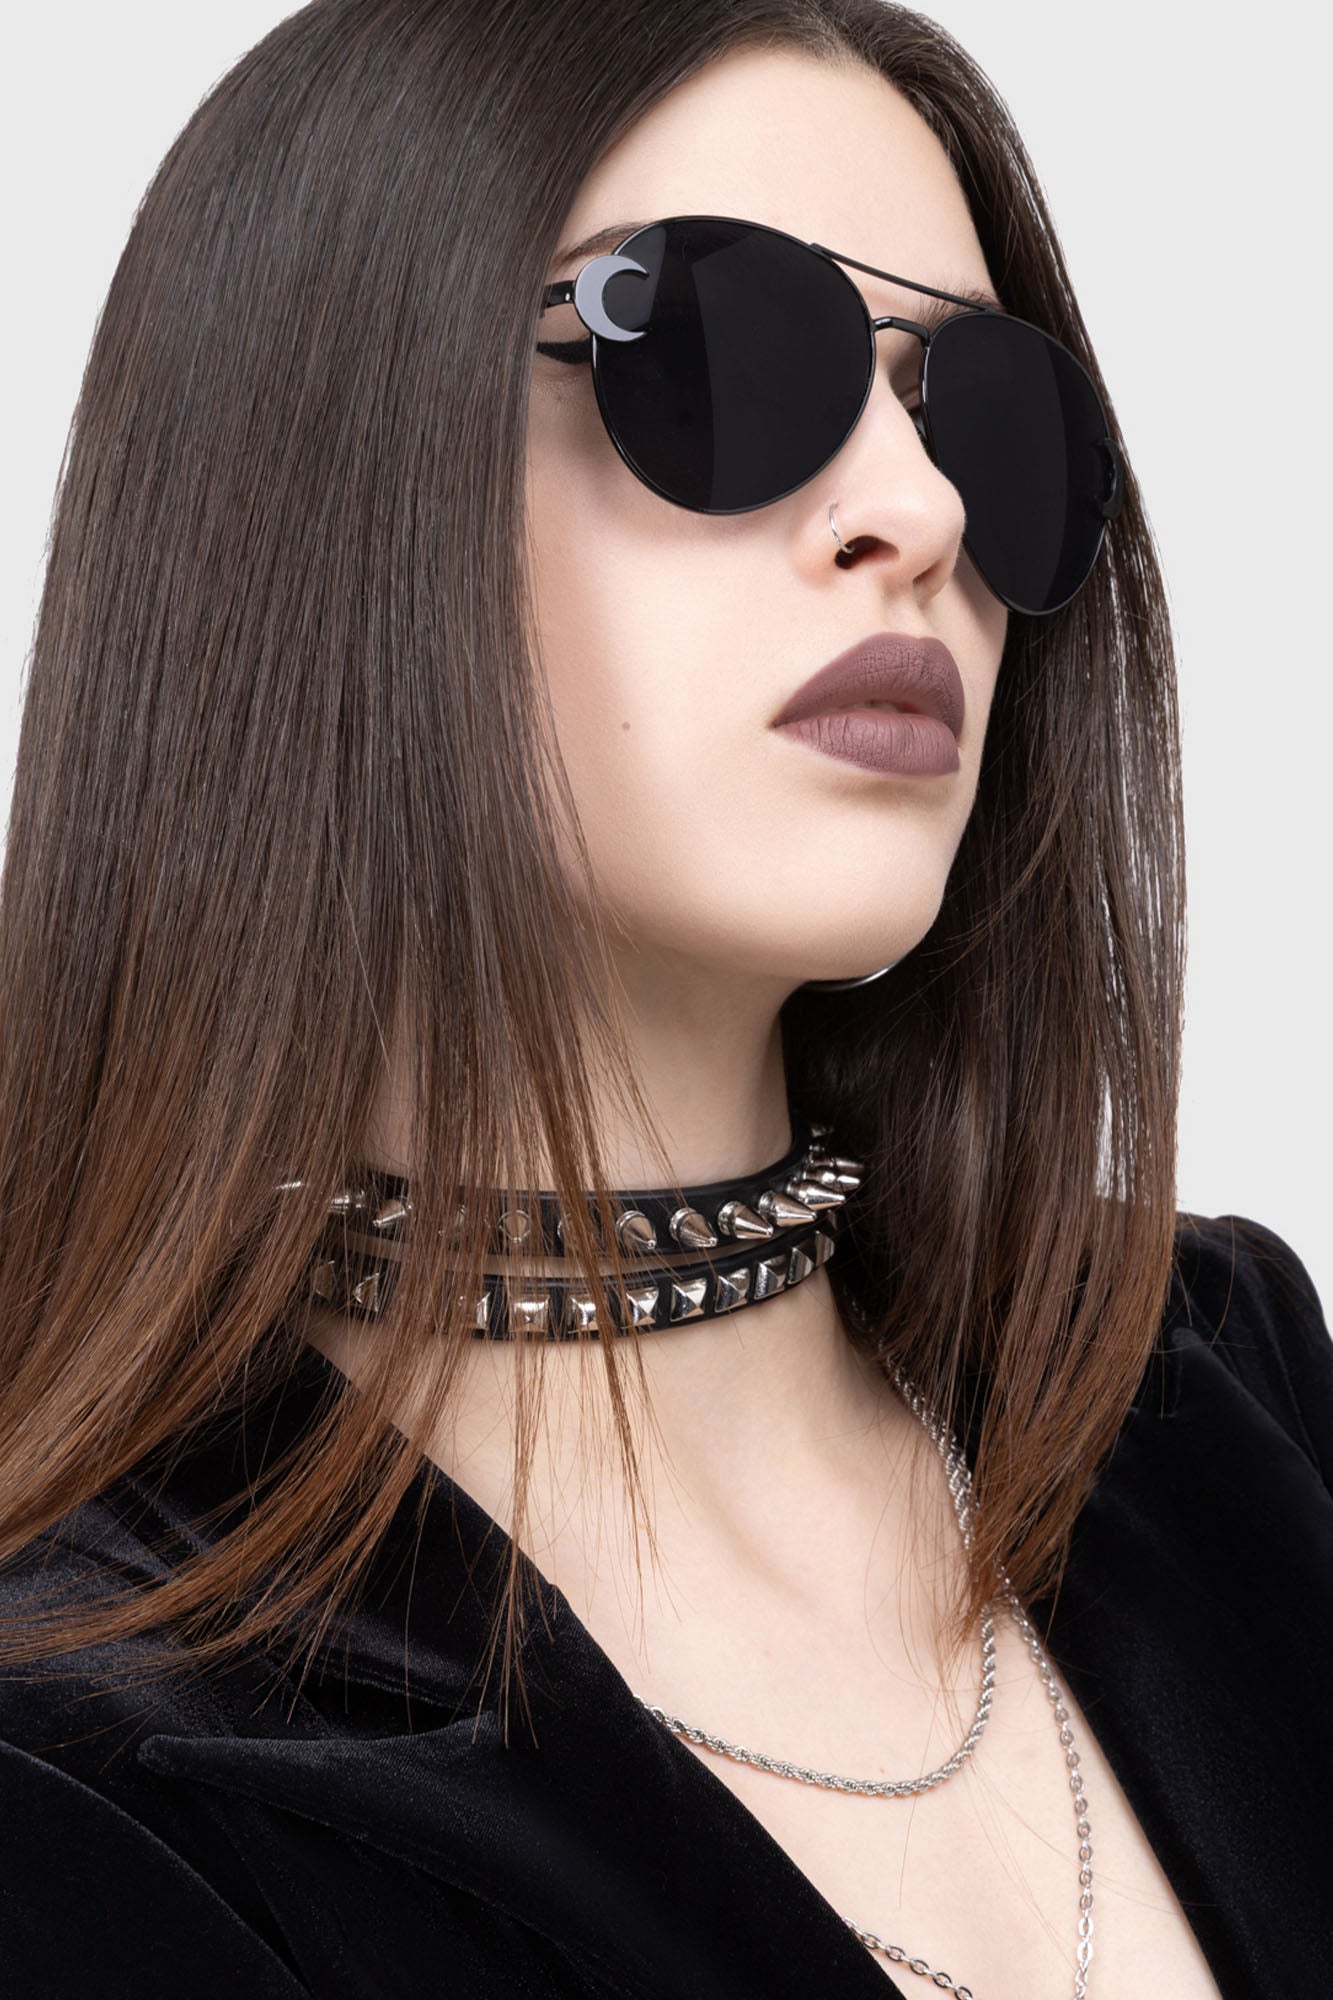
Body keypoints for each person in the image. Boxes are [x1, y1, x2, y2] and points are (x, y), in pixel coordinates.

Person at [0, 2, 1328, 1996]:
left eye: (986, 419)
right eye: (719, 357)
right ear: (310, 475)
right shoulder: (82, 1769)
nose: (919, 514)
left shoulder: (1217, 1397)